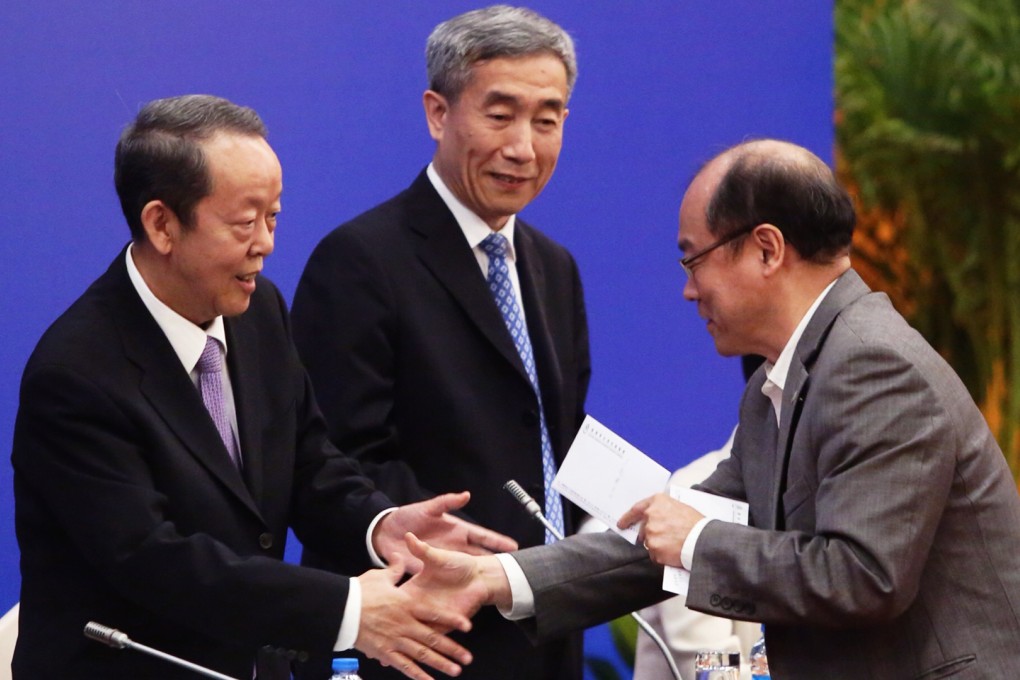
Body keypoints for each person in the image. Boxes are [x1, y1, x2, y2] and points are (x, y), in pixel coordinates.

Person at [402, 139, 1020, 679]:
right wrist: (498, 578)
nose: (687, 287)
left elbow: (863, 577)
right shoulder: (780, 383)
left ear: (767, 249)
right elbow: (658, 535)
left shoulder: (873, 366)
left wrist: (697, 538)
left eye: (694, 258)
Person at [10, 94, 518, 680]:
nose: (267, 244)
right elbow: (153, 559)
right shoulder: (76, 373)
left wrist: (379, 525)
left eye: (274, 216)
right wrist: (351, 611)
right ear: (162, 224)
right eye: (245, 222)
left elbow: (307, 462)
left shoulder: (259, 312)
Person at [290, 6, 589, 680]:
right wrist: (448, 546)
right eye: (500, 114)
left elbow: (553, 443)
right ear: (437, 113)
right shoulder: (360, 260)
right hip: (421, 640)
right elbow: (332, 457)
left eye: (548, 120)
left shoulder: (555, 267)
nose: (524, 146)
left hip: (543, 632)